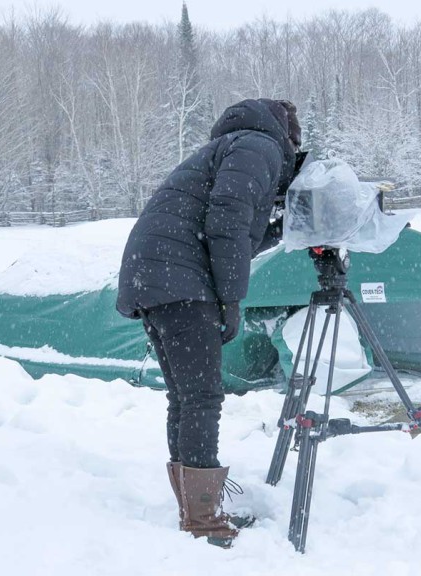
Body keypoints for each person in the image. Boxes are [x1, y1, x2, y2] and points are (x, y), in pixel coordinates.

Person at [116, 98, 302, 547]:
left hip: (153, 273)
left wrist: (283, 229)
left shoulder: (231, 147)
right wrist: (231, 301)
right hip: (178, 279)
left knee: (186, 396)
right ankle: (203, 519)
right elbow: (226, 222)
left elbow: (232, 232)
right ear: (286, 134)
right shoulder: (260, 146)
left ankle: (195, 508)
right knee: (201, 396)